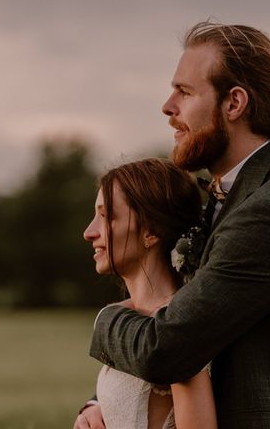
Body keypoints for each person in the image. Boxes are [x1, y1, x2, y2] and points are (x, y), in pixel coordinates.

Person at [78, 22, 270, 428]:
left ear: (234, 103)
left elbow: (169, 349)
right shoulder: (232, 198)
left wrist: (105, 321)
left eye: (184, 92)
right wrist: (104, 403)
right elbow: (185, 312)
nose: (168, 107)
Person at [80, 158, 217, 429]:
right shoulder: (128, 318)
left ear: (151, 231)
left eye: (107, 216)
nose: (89, 232)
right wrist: (95, 408)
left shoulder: (179, 332)